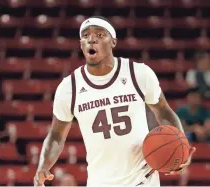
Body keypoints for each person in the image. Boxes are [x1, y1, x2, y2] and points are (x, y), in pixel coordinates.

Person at [34, 16, 195, 186]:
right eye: (86, 35)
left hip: (143, 180)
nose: (92, 39)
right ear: (81, 44)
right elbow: (56, 135)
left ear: (113, 42)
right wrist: (43, 165)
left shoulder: (138, 73)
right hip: (100, 181)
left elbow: (163, 111)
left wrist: (182, 144)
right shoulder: (69, 88)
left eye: (100, 34)